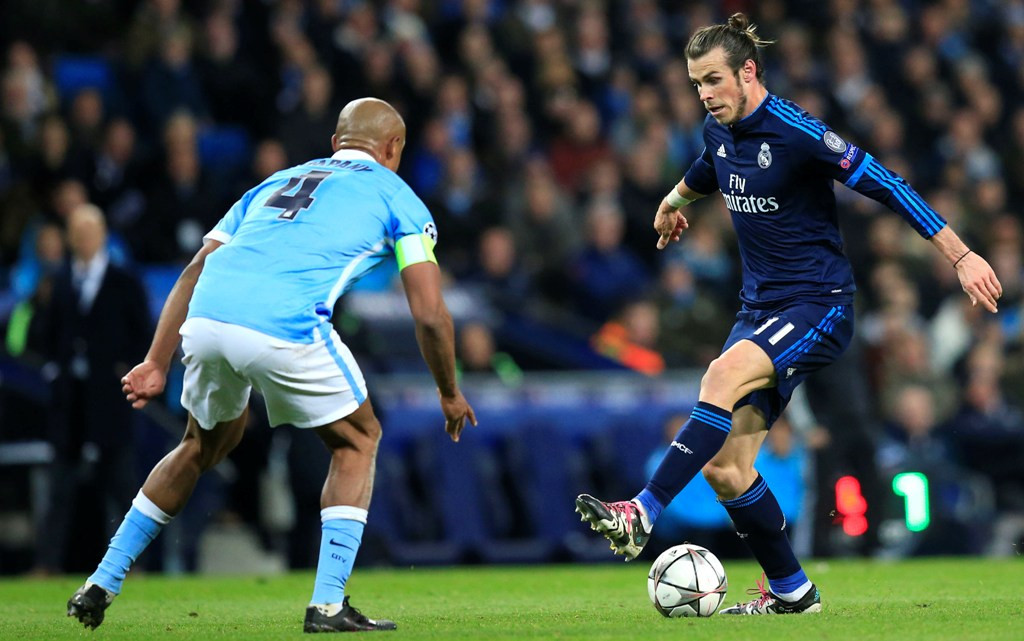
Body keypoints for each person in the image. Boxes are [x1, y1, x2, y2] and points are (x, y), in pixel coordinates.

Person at [575, 13, 1002, 616]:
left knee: (720, 376)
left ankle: (640, 511)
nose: (705, 94)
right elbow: (708, 167)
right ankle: (794, 592)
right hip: (759, 311)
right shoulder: (717, 129)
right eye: (697, 84)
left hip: (818, 305)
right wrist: (673, 201)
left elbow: (887, 183)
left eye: (714, 80)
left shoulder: (798, 133)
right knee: (727, 469)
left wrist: (960, 255)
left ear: (748, 72)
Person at [66, 97, 476, 633]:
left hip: (209, 314)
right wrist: (449, 390)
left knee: (200, 444)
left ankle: (101, 581)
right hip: (284, 323)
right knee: (358, 439)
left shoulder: (275, 182)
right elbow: (429, 314)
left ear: (336, 143)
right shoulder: (401, 198)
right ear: (394, 147)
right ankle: (327, 605)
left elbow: (196, 266)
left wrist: (155, 361)